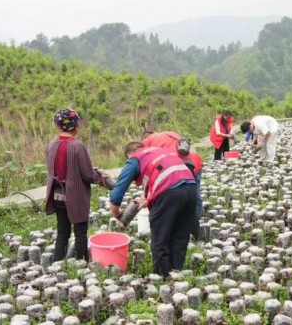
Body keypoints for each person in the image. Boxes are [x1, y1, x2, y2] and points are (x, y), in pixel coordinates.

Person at [109, 143, 197, 277]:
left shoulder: (135, 159)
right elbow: (165, 176)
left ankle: (162, 276)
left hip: (169, 191)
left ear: (130, 154)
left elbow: (117, 193)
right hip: (190, 187)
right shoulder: (159, 151)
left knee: (160, 237)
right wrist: (147, 201)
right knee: (180, 233)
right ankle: (176, 271)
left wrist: (117, 213)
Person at [45, 109, 107, 262]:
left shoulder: (52, 145)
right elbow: (87, 175)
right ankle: (82, 263)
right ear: (76, 126)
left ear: (58, 126)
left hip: (57, 193)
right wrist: (100, 177)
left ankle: (57, 263)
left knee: (62, 232)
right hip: (75, 195)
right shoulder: (77, 146)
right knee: (80, 233)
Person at [141, 130, 204, 219]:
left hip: (180, 168)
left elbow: (153, 169)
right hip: (195, 163)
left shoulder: (146, 145)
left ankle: (181, 221)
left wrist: (147, 194)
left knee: (174, 195)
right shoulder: (169, 134)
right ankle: (196, 221)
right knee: (194, 194)